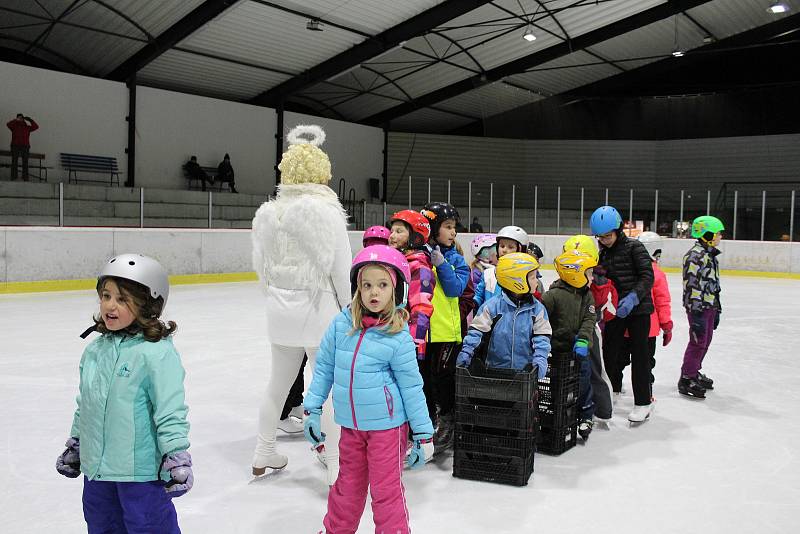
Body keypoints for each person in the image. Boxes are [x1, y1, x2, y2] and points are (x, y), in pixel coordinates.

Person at [56, 254, 191, 533]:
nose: (109, 305)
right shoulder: (94, 351)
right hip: (97, 473)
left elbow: (169, 410)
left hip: (140, 474)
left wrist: (176, 453)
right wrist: (78, 442)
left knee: (149, 526)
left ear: (147, 305)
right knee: (101, 525)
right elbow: (86, 405)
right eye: (105, 296)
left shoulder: (156, 354)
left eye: (122, 298)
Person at [303, 245, 434, 534]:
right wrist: (312, 409)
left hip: (387, 430)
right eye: (367, 285)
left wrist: (423, 434)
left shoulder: (398, 336)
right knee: (346, 486)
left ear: (395, 290)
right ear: (357, 289)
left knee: (386, 491)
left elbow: (412, 387)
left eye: (382, 285)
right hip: (350, 427)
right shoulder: (341, 325)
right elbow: (324, 369)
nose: (374, 292)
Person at [250, 124, 352, 485]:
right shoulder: (327, 213)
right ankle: (337, 463)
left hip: (280, 312)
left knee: (277, 385)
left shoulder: (268, 214)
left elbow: (259, 268)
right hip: (319, 312)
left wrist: (278, 297)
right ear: (323, 173)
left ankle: (264, 451)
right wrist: (349, 311)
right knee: (326, 390)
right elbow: (342, 272)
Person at [590, 205, 655, 424]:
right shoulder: (603, 253)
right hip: (615, 310)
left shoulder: (635, 248)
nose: (604, 240)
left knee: (640, 355)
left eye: (607, 236)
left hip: (639, 310)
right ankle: (613, 389)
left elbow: (647, 276)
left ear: (618, 229)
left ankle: (643, 402)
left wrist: (634, 297)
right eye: (600, 237)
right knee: (610, 352)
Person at [419, 202, 470, 454]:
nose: (453, 233)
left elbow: (454, 289)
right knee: (423, 380)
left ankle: (448, 421)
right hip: (421, 333)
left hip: (446, 334)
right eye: (447, 227)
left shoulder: (456, 260)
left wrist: (441, 264)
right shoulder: (419, 255)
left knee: (443, 379)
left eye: (454, 228)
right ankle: (427, 423)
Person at [456, 252, 551, 377]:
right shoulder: (491, 307)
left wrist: (540, 360)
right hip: (493, 373)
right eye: (532, 277)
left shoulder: (538, 310)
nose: (537, 282)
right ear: (517, 281)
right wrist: (466, 353)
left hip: (524, 376)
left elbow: (542, 339)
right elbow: (476, 333)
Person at [543, 249, 598, 440]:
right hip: (556, 353)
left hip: (578, 353)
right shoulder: (552, 296)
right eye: (589, 273)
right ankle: (555, 414)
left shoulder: (587, 296)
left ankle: (585, 414)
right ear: (575, 274)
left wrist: (583, 339)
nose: (592, 277)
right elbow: (541, 321)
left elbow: (589, 319)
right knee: (556, 386)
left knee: (583, 381)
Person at [564, 234, 614, 427]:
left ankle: (601, 408)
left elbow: (601, 305)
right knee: (571, 370)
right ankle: (573, 405)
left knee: (593, 369)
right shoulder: (563, 282)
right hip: (567, 329)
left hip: (588, 330)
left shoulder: (597, 280)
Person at [616, 232, 673, 389]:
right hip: (648, 330)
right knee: (645, 363)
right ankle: (645, 392)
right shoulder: (657, 274)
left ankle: (614, 389)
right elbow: (662, 302)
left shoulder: (629, 268)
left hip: (624, 326)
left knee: (619, 360)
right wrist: (666, 325)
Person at [679, 216, 724, 399]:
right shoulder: (694, 256)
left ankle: (694, 370)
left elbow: (713, 283)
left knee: (705, 342)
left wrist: (717, 308)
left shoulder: (710, 255)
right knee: (697, 343)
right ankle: (686, 377)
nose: (720, 236)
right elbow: (691, 285)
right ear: (706, 234)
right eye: (717, 233)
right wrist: (696, 312)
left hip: (710, 306)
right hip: (699, 308)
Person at [387, 210, 435, 360]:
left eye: (399, 231)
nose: (392, 235)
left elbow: (421, 307)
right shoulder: (394, 263)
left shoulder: (418, 267)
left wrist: (415, 340)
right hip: (389, 336)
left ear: (415, 237)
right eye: (392, 230)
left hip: (405, 341)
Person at [474, 225, 530, 310]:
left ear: (521, 250)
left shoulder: (527, 276)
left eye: (510, 247)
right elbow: (479, 296)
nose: (504, 250)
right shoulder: (488, 274)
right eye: (502, 246)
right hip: (490, 319)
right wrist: (473, 304)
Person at [6, 113, 39, 181]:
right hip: (15, 146)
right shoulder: (14, 126)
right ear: (17, 118)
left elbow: (36, 127)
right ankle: (14, 177)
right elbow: (8, 124)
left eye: (21, 118)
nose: (20, 119)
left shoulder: (27, 127)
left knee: (25, 162)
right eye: (19, 118)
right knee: (14, 162)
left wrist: (30, 120)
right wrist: (15, 120)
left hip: (25, 146)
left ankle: (25, 178)